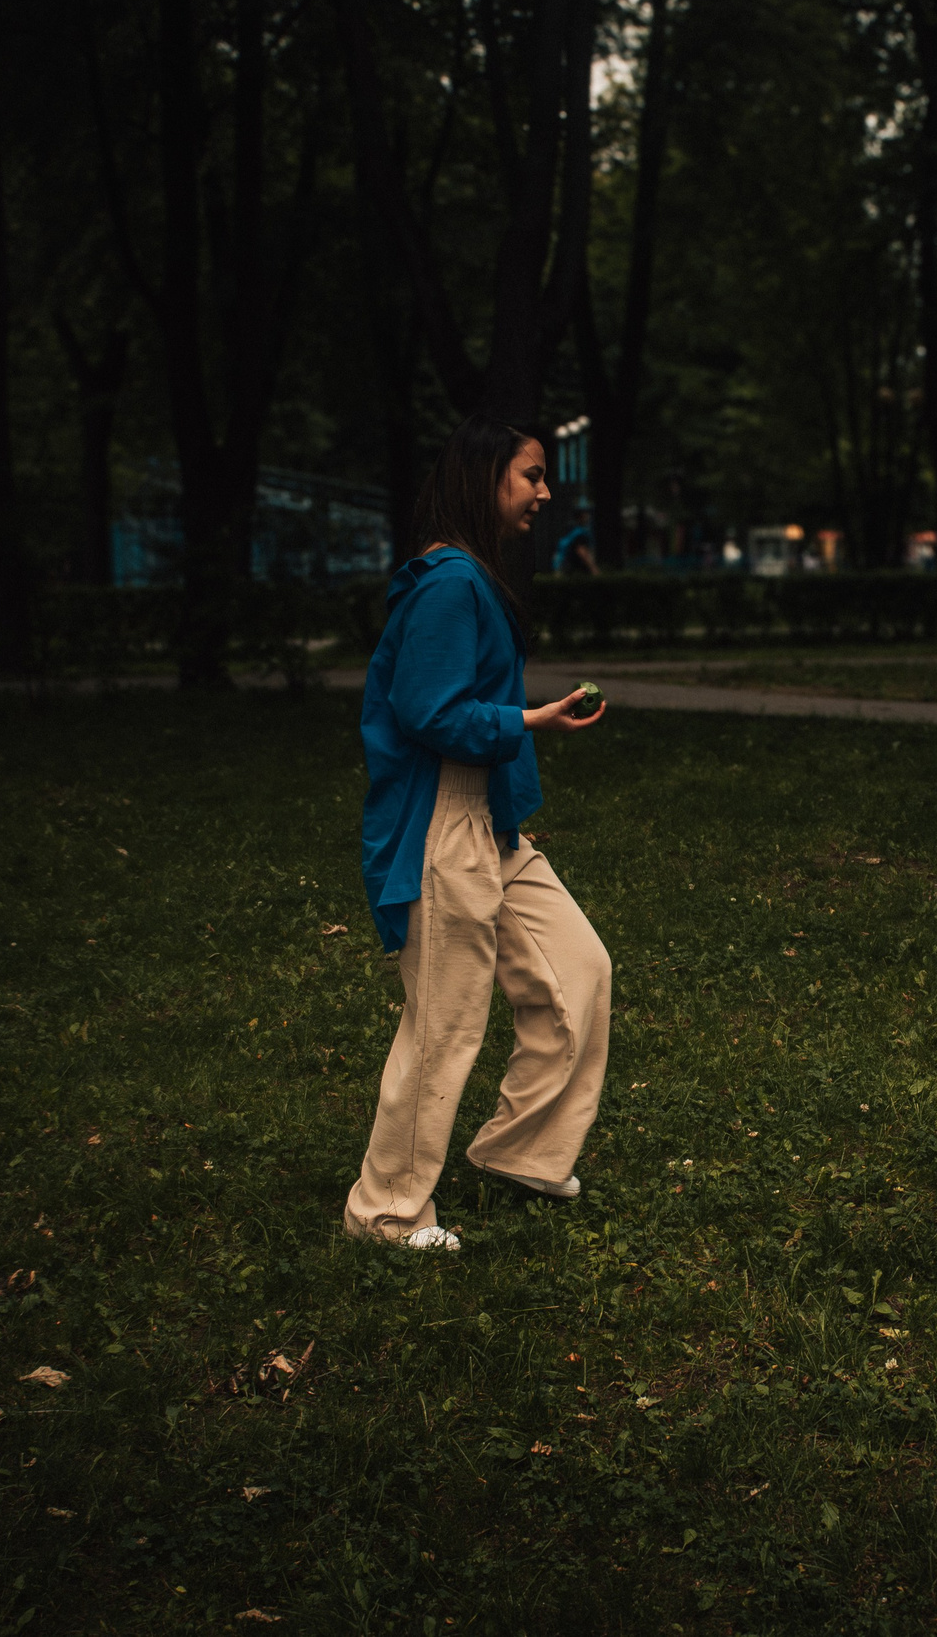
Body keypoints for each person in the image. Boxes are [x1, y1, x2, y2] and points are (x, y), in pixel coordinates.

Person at [346, 415, 610, 1251]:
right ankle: (385, 1213)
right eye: (530, 476)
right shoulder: (448, 584)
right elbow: (428, 712)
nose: (544, 491)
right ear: (486, 476)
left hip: (489, 821)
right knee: (445, 1022)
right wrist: (535, 718)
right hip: (442, 821)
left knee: (577, 969)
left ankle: (522, 1152)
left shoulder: (471, 579)